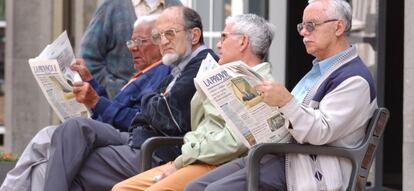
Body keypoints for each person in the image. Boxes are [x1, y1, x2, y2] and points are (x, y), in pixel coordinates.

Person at [186, 0, 378, 190]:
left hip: (308, 168)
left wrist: (285, 101)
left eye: (311, 25)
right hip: (282, 155)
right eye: (302, 26)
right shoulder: (323, 69)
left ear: (338, 27)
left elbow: (320, 131)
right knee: (194, 187)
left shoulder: (354, 79)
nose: (303, 32)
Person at [41, 6, 217, 191]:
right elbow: (148, 110)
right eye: (159, 36)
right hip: (139, 136)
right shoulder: (177, 67)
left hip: (156, 148)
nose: (163, 42)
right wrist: (150, 101)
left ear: (195, 36)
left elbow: (166, 115)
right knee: (72, 128)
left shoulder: (202, 64)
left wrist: (148, 100)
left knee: (69, 164)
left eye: (170, 34)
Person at [0, 15, 170, 191]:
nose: (133, 48)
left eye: (140, 41)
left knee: (52, 137)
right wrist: (91, 82)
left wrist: (97, 101)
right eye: (131, 42)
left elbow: (136, 119)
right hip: (113, 131)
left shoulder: (162, 73)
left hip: (130, 137)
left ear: (160, 42)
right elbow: (117, 108)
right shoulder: (143, 74)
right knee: (42, 166)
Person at [111, 13, 276, 191]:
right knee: (121, 188)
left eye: (224, 37)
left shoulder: (258, 85)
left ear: (243, 42)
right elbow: (204, 126)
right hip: (195, 157)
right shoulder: (227, 77)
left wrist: (181, 160)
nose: (218, 44)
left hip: (217, 164)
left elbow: (233, 143)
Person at [80, 0, 181, 98]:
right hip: (119, 105)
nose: (134, 48)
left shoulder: (177, 8)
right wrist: (115, 90)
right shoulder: (112, 6)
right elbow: (88, 58)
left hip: (164, 102)